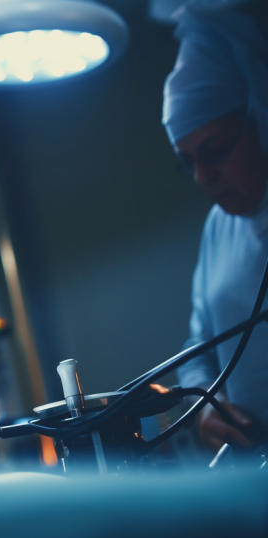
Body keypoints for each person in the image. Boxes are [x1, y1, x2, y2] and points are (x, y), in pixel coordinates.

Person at [162, 2, 268, 453]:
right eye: (189, 163)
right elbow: (198, 345)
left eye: (217, 149)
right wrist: (204, 401)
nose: (204, 177)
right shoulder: (219, 227)